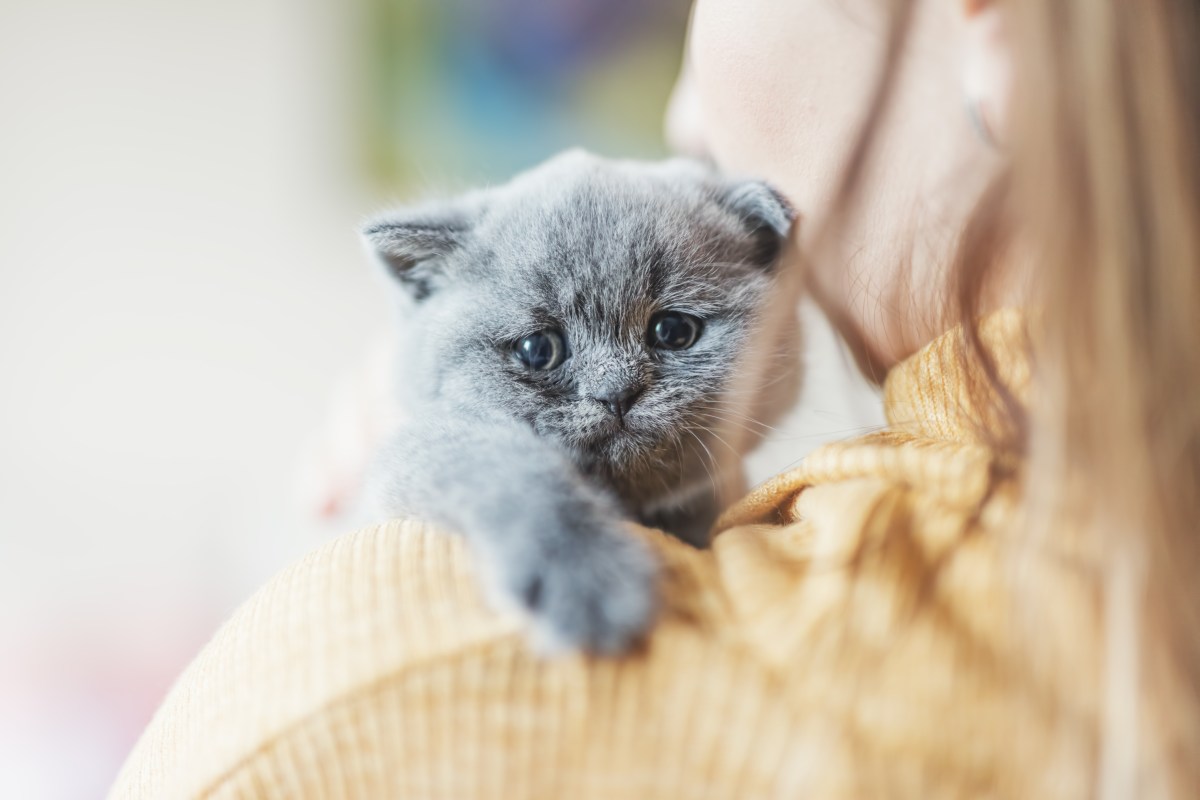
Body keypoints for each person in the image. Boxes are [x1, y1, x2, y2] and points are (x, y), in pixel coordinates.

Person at [111, 0, 1199, 797]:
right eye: (537, 350)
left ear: (1000, 24)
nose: (681, 102)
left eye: (672, 334)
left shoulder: (373, 692)